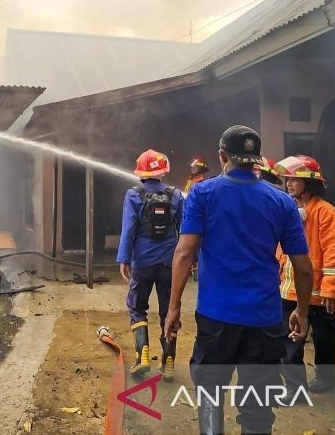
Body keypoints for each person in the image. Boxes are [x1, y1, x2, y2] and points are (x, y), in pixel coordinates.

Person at [164, 125, 313, 435]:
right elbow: (303, 267)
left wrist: (173, 306)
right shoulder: (283, 202)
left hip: (216, 318)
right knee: (258, 407)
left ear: (222, 157)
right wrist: (302, 310)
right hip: (265, 319)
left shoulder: (203, 193)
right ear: (256, 160)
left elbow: (184, 253)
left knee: (210, 395)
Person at [276, 155, 335, 394]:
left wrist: (331, 288)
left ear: (311, 182)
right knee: (291, 340)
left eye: (296, 179)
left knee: (324, 339)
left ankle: (326, 379)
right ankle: (296, 389)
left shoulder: (326, 213)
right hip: (290, 291)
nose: (290, 184)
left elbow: (334, 252)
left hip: (318, 292)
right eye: (288, 179)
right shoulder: (289, 209)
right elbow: (280, 250)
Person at [117, 149, 184, 382]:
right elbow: (185, 232)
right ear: (163, 171)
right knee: (169, 309)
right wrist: (189, 261)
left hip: (143, 262)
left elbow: (128, 229)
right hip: (169, 263)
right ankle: (168, 361)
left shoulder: (133, 195)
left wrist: (124, 258)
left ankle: (142, 355)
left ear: (141, 172)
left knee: (137, 306)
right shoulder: (176, 196)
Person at [184, 157, 208, 282]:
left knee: (197, 247)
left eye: (194, 167)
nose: (192, 169)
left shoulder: (201, 183)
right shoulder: (192, 181)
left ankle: (198, 271)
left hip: (198, 220)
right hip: (190, 216)